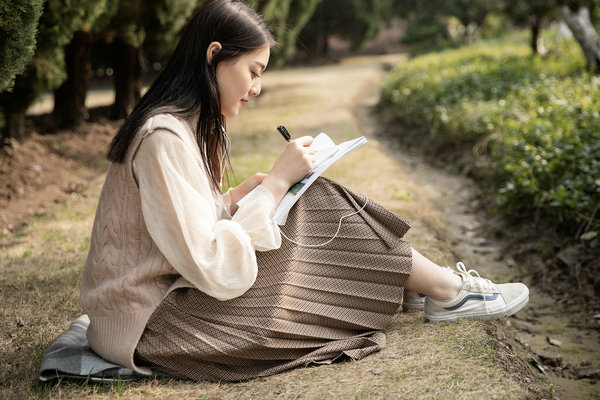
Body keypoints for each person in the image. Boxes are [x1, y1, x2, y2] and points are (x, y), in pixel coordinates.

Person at [80, 0, 529, 382]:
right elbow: (212, 265)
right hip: (156, 328)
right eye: (253, 71)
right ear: (214, 55)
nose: (256, 88)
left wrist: (237, 197)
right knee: (311, 201)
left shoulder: (180, 128)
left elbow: (178, 226)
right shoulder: (163, 136)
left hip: (166, 308)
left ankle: (439, 289)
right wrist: (274, 185)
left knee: (307, 195)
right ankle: (446, 291)